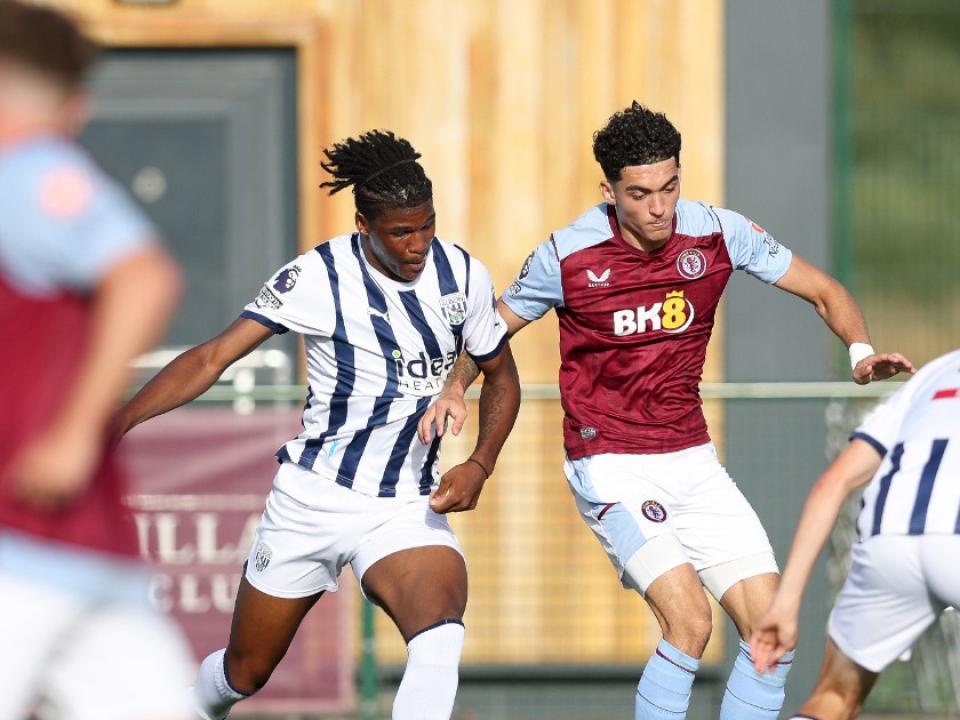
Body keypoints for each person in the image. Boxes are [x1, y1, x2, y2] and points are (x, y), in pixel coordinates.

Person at [419, 101, 915, 720]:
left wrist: (860, 353)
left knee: (769, 635)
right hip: (609, 464)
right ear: (609, 190)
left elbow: (824, 290)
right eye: (640, 193)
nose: (659, 207)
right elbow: (493, 327)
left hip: (692, 461)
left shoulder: (718, 233)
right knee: (690, 622)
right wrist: (455, 386)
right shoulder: (567, 256)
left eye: (670, 187)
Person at [114, 129, 521, 720]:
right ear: (364, 225)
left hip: (406, 502)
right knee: (244, 671)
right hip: (312, 500)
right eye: (401, 232)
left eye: (427, 225)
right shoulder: (317, 276)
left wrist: (480, 464)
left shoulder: (463, 276)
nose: (418, 245)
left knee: (438, 638)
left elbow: (503, 379)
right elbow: (212, 358)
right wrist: (120, 420)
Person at [0, 2, 194, 719]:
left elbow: (143, 276)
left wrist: (74, 434)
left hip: (25, 533)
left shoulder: (27, 171)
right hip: (77, 549)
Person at [750, 348, 960, 720]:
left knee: (834, 697)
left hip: (888, 539)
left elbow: (834, 481)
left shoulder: (935, 373)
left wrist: (785, 603)